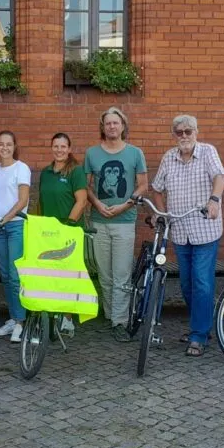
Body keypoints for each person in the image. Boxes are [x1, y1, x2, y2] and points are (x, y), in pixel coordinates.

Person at [150, 115, 224, 356]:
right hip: (180, 232)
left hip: (205, 229)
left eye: (188, 131)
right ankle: (203, 324)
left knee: (202, 282)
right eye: (179, 132)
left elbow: (219, 176)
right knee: (186, 284)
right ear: (174, 135)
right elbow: (157, 188)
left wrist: (214, 200)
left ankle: (198, 335)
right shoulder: (169, 157)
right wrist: (162, 212)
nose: (184, 136)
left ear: (196, 131)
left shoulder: (207, 152)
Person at [84, 107, 148, 331]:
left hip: (125, 221)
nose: (112, 126)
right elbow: (86, 186)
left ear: (123, 126)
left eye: (116, 122)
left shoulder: (135, 153)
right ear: (103, 127)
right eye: (108, 123)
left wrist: (125, 205)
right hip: (99, 221)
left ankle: (119, 321)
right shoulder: (92, 153)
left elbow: (143, 186)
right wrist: (98, 204)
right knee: (104, 274)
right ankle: (110, 315)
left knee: (121, 274)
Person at [36, 132, 89, 336]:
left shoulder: (75, 171)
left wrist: (67, 225)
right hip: (47, 233)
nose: (59, 150)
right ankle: (51, 314)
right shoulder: (45, 173)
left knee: (67, 276)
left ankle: (67, 319)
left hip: (68, 232)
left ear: (69, 149)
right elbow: (41, 201)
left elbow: (81, 201)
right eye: (56, 146)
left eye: (63, 146)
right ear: (52, 148)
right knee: (49, 275)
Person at [0, 131, 31, 343]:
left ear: (15, 146)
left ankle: (21, 320)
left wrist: (5, 218)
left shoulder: (21, 168)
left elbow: (23, 200)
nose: (5, 148)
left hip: (15, 226)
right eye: (1, 144)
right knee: (4, 275)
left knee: (15, 276)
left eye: (9, 144)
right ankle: (13, 319)